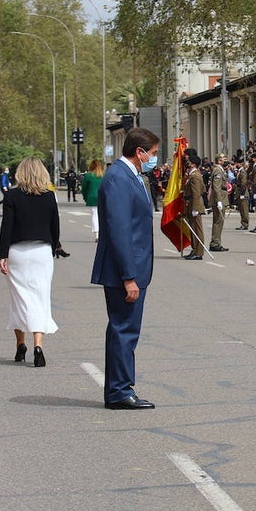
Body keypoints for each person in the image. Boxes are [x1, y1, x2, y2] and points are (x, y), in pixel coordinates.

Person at [90, 127, 160, 410]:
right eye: (153, 153)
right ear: (139, 151)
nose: (155, 158)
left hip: (132, 268)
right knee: (124, 331)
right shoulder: (119, 178)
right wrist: (128, 276)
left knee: (126, 330)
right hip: (124, 271)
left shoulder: (132, 176)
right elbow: (120, 231)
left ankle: (121, 387)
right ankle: (119, 391)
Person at [0, 157, 63, 367]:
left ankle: (20, 345)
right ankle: (38, 345)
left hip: (17, 250)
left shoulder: (12, 196)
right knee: (40, 297)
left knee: (19, 298)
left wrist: (2, 255)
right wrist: (53, 248)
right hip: (42, 251)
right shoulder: (49, 196)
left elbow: (6, 227)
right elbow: (55, 227)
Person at [81, 159, 104, 242]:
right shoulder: (103, 176)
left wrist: (85, 197)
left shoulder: (88, 176)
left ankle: (97, 234)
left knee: (94, 215)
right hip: (103, 198)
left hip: (92, 197)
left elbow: (84, 188)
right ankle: (103, 233)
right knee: (102, 216)